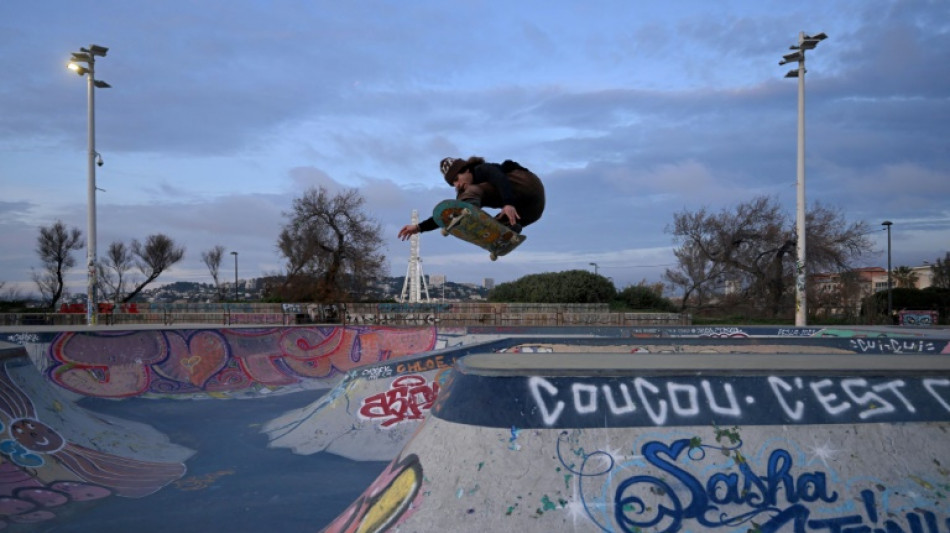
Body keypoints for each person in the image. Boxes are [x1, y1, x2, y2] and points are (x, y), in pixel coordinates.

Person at [397, 156, 545, 240]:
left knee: (469, 193)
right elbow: (448, 215)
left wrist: (508, 203)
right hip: (533, 208)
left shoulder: (481, 170)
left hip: (525, 182)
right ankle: (508, 230)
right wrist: (418, 227)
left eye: (457, 178)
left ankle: (471, 215)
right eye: (453, 183)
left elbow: (499, 177)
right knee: (499, 223)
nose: (457, 184)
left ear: (467, 169)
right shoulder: (468, 188)